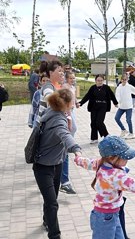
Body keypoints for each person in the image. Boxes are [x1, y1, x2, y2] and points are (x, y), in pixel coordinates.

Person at [73, 136, 135, 239]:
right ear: (111, 157)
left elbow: (86, 162)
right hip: (104, 218)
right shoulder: (116, 176)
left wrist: (77, 157)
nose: (127, 159)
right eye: (124, 156)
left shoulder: (101, 163)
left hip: (111, 215)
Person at [33, 89, 82, 239]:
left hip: (57, 163)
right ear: (67, 103)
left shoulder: (55, 112)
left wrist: (69, 120)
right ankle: (55, 235)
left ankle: (46, 220)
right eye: (72, 100)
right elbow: (65, 134)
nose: (74, 103)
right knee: (53, 202)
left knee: (51, 198)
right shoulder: (57, 119)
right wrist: (76, 149)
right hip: (43, 166)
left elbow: (70, 131)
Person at [77, 74, 118, 144]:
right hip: (94, 106)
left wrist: (115, 103)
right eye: (98, 80)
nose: (100, 82)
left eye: (101, 80)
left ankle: (106, 135)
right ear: (95, 81)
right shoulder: (93, 88)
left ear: (103, 81)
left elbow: (112, 95)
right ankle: (94, 138)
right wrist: (81, 103)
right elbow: (87, 96)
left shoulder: (106, 88)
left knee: (99, 122)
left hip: (103, 106)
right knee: (93, 123)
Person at [59, 71, 78, 194]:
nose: (72, 80)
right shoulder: (64, 87)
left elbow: (73, 99)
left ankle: (69, 143)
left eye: (73, 78)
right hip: (67, 111)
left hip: (71, 110)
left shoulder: (73, 87)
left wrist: (75, 103)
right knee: (72, 128)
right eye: (70, 78)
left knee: (73, 128)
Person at [115, 74, 135, 139]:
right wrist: (117, 102)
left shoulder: (129, 87)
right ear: (121, 80)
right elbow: (117, 95)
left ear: (127, 80)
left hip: (129, 106)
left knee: (128, 120)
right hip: (121, 106)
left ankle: (131, 133)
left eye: (125, 79)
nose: (124, 81)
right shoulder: (119, 87)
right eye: (123, 79)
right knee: (116, 118)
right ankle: (123, 130)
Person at [36, 61, 64, 125]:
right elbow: (49, 97)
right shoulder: (48, 86)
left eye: (62, 71)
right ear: (51, 73)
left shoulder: (58, 86)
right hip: (46, 125)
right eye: (59, 71)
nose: (62, 73)